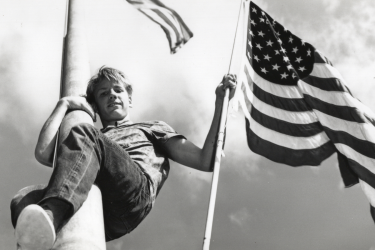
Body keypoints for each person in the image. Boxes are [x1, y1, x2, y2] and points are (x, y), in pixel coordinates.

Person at [11, 66, 237, 250]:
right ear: (95, 107)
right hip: (95, 209)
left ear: (130, 99)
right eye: (103, 93)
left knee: (87, 135)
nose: (111, 95)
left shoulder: (150, 128)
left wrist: (220, 104)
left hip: (133, 194)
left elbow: (205, 160)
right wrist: (64, 105)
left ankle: (52, 215)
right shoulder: (89, 139)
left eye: (117, 90)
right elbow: (43, 153)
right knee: (23, 198)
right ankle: (37, 238)